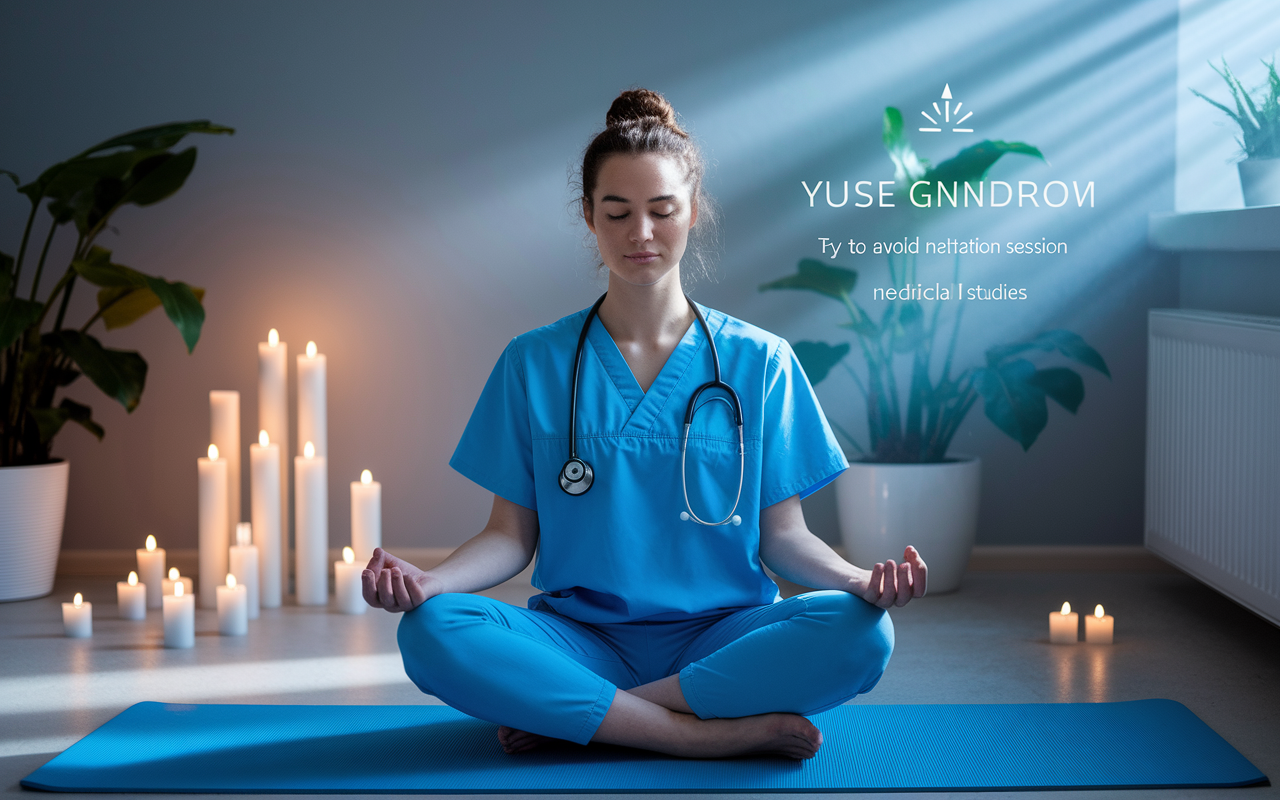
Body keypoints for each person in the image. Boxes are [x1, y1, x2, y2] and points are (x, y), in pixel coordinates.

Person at [362, 88, 927, 761]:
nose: (641, 235)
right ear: (588, 216)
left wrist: (859, 581)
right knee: (433, 631)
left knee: (863, 632)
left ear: (693, 213)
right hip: (580, 641)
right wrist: (430, 584)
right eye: (618, 212)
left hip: (724, 636)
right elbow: (509, 538)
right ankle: (700, 734)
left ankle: (596, 718)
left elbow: (784, 540)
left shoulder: (761, 362)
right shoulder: (533, 362)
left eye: (662, 211)